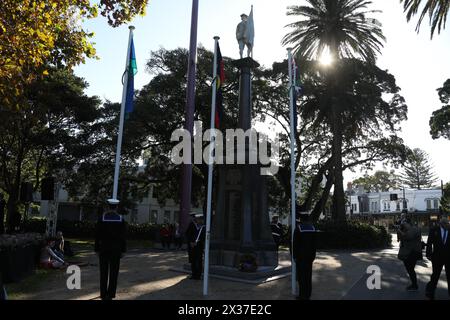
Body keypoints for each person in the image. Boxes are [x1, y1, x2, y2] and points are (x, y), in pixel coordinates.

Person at [95, 199, 127, 300]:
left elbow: (97, 235)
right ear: (116, 207)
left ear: (108, 207)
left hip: (104, 248)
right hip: (116, 250)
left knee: (103, 272)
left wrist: (96, 248)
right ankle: (111, 294)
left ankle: (103, 294)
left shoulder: (101, 218)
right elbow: (123, 237)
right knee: (114, 272)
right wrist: (123, 250)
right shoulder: (121, 219)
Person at [292, 214, 317, 300]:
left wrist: (294, 256)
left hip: (300, 257)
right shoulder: (313, 228)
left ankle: (302, 295)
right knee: (308, 276)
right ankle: (308, 294)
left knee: (301, 277)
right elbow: (314, 244)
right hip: (310, 256)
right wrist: (313, 255)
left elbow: (295, 244)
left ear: (301, 219)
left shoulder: (298, 229)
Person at [425, 216, 450, 300]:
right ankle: (430, 292)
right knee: (435, 275)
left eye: (448, 223)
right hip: (437, 257)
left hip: (448, 257)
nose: (448, 225)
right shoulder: (434, 230)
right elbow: (429, 243)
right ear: (442, 224)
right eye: (446, 224)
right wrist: (428, 254)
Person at [397, 217, 422, 291]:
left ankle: (414, 285)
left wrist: (400, 231)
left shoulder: (414, 229)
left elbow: (408, 236)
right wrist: (400, 232)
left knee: (410, 269)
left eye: (404, 223)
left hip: (412, 252)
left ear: (408, 223)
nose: (403, 225)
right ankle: (414, 284)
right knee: (410, 269)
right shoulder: (408, 229)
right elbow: (399, 239)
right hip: (409, 252)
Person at [186, 213, 205, 280]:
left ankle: (198, 276)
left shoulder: (203, 227)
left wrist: (198, 241)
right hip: (192, 246)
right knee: (193, 261)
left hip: (199, 246)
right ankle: (193, 274)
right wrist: (191, 242)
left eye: (199, 219)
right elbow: (188, 234)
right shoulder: (191, 225)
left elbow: (203, 237)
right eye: (197, 219)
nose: (198, 220)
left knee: (199, 261)